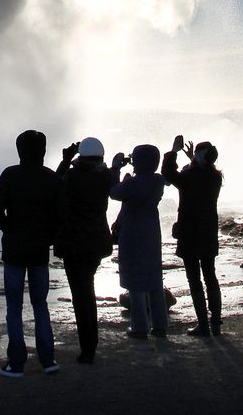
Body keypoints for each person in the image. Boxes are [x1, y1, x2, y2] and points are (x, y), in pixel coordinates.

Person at [0, 129, 63, 377]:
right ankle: (48, 359)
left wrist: (9, 228)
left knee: (14, 307)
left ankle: (16, 363)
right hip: (40, 250)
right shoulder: (51, 178)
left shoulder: (10, 175)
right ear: (42, 150)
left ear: (20, 150)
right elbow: (60, 214)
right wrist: (48, 237)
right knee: (41, 304)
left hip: (14, 250)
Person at [54, 137, 119, 363]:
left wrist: (65, 160)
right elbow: (113, 179)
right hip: (96, 242)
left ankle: (88, 348)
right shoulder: (105, 177)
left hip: (73, 244)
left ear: (80, 156)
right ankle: (91, 343)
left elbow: (53, 186)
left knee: (80, 295)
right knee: (87, 291)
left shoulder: (71, 177)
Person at [162, 134, 222, 336]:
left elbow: (168, 174)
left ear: (200, 157)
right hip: (208, 233)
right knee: (210, 276)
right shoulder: (215, 177)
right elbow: (198, 175)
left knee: (194, 279)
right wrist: (192, 159)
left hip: (190, 234)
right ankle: (215, 323)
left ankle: (203, 324)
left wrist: (173, 151)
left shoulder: (190, 177)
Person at [110, 144, 168, 339]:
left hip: (132, 233)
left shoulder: (132, 184)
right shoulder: (158, 180)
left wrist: (117, 170)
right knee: (154, 280)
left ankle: (140, 327)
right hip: (152, 232)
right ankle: (160, 326)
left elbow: (114, 192)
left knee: (135, 282)